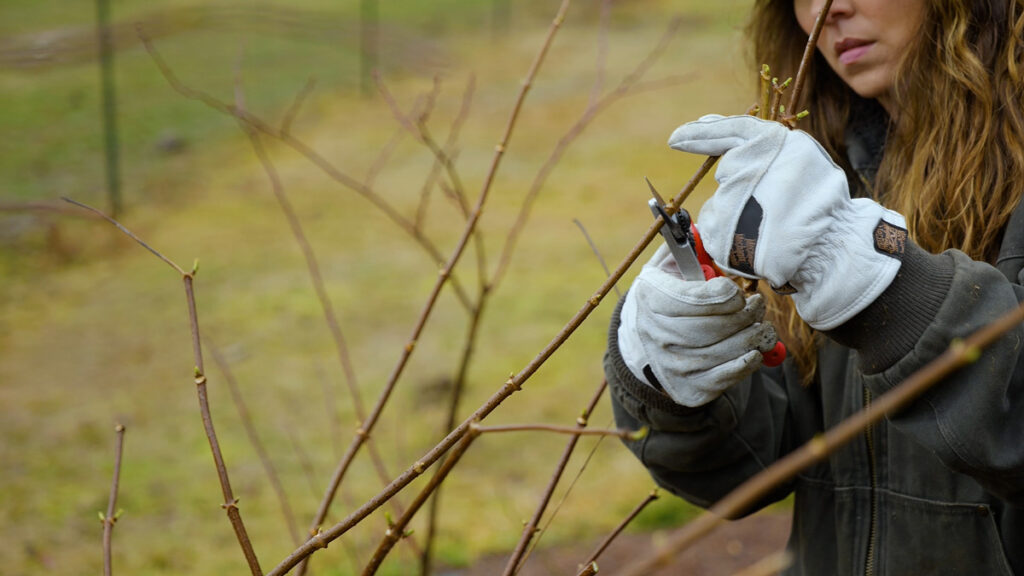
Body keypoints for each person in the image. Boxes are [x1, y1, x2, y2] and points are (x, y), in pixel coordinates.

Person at [605, 0, 1024, 574]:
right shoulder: (825, 172)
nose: (828, 10)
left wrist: (888, 290)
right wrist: (671, 375)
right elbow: (747, 467)